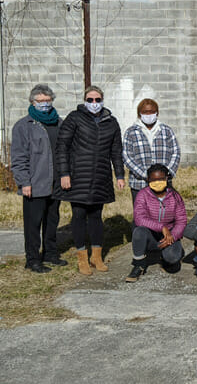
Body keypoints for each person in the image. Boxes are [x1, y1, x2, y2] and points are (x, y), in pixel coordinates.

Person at [57, 85, 125, 275]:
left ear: (102, 100)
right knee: (78, 216)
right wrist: (64, 173)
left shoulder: (111, 122)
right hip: (77, 176)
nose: (94, 103)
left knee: (96, 216)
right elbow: (62, 147)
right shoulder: (74, 118)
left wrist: (119, 175)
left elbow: (116, 151)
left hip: (100, 177)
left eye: (97, 100)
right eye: (90, 100)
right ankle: (82, 258)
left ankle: (96, 256)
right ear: (84, 101)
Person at [11, 84, 67, 273]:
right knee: (33, 224)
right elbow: (18, 157)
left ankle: (50, 253)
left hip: (55, 183)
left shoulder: (59, 123)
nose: (44, 104)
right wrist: (24, 181)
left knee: (52, 221)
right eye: (40, 101)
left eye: (47, 100)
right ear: (32, 102)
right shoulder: (23, 126)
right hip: (35, 184)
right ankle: (33, 259)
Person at [122, 98, 180, 221]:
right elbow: (127, 156)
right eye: (145, 112)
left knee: (166, 215)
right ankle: (142, 239)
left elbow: (175, 152)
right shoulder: (131, 132)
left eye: (151, 112)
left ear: (157, 113)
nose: (149, 115)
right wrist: (145, 175)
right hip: (140, 183)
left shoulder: (166, 131)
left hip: (163, 182)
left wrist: (166, 173)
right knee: (141, 217)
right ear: (139, 114)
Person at [126, 164, 186, 282]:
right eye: (153, 180)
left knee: (173, 258)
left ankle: (166, 258)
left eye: (161, 179)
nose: (157, 182)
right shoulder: (142, 195)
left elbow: (182, 221)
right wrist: (161, 227)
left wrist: (172, 237)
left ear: (167, 178)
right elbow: (139, 218)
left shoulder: (175, 196)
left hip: (168, 236)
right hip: (151, 236)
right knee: (138, 231)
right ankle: (139, 264)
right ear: (148, 180)